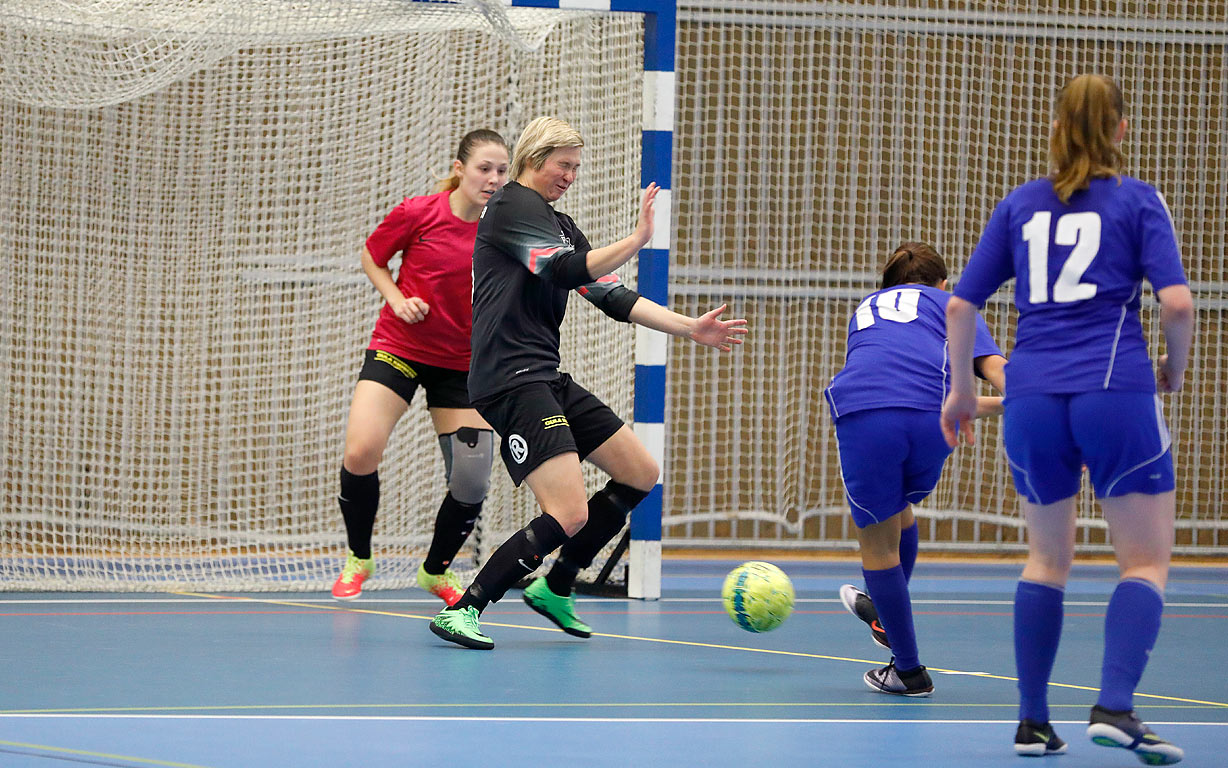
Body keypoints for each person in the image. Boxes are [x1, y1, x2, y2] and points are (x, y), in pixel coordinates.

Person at [942, 74, 1193, 764]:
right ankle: (1114, 705)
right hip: (1114, 390)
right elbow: (1176, 304)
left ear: (1055, 129)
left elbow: (961, 308)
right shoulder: (1138, 201)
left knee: (1047, 557)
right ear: (1121, 130)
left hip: (1030, 397)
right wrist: (1175, 367)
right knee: (1144, 561)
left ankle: (1031, 721)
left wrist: (962, 394)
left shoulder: (1020, 205)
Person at [428, 116, 749, 649]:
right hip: (510, 378)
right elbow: (561, 270)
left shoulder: (562, 224)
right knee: (570, 511)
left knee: (640, 473)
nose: (571, 175)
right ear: (536, 159)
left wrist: (690, 327)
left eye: (577, 167)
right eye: (565, 165)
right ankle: (465, 609)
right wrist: (639, 238)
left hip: (546, 375)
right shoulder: (508, 205)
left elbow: (612, 296)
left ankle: (557, 585)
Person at [333, 129, 511, 606]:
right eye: (484, 169)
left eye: (502, 170)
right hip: (400, 347)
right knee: (361, 451)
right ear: (460, 170)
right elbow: (373, 257)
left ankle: (435, 571)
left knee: (472, 477)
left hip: (462, 365)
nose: (493, 179)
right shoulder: (418, 213)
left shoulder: (505, 230)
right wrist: (396, 297)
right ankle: (359, 556)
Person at [825, 242, 1008, 697]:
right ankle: (885, 615)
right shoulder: (952, 304)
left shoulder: (866, 309)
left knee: (877, 544)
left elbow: (888, 380)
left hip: (867, 415)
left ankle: (908, 672)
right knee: (900, 511)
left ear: (885, 285)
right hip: (934, 422)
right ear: (943, 283)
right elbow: (992, 368)